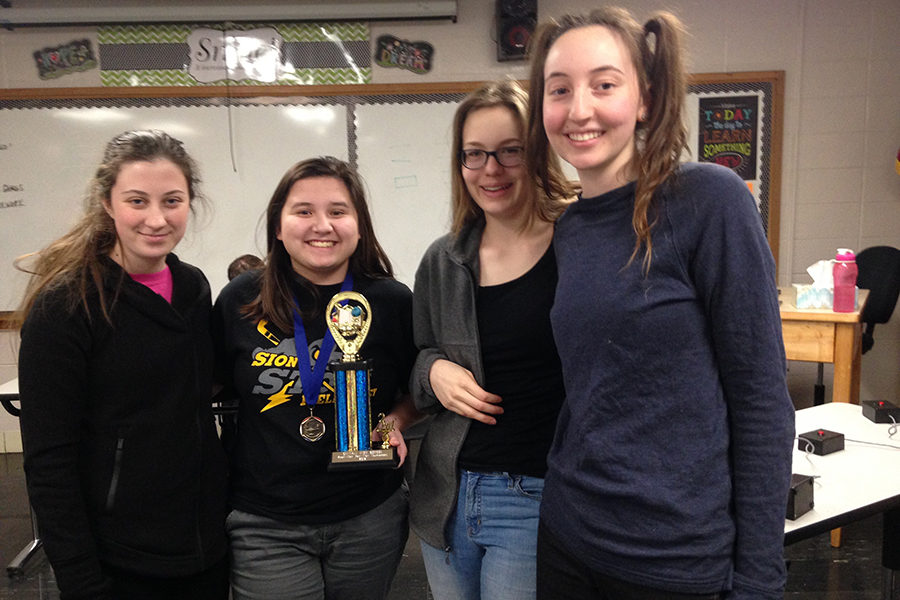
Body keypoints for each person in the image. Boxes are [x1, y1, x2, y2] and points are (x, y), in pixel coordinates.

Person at [526, 7, 795, 599]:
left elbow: (760, 400)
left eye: (604, 84)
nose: (579, 110)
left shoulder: (707, 200)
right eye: (559, 90)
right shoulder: (570, 229)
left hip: (675, 557)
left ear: (644, 98)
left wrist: (758, 578)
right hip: (570, 536)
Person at [15, 129, 229, 600]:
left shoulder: (193, 289)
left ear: (190, 202)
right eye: (137, 201)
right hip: (119, 561)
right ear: (108, 203)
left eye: (172, 201)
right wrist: (80, 578)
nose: (156, 218)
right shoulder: (66, 306)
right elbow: (49, 462)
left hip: (203, 547)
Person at [212, 156, 418, 600]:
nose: (321, 225)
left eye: (338, 211)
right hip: (264, 519)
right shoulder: (240, 300)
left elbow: (418, 388)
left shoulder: (392, 301)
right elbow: (206, 385)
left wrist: (392, 423)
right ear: (279, 226)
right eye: (303, 211)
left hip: (369, 514)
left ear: (359, 225)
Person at [408, 79, 574, 600]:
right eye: (474, 155)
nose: (490, 171)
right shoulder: (444, 258)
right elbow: (416, 359)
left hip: (537, 493)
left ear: (538, 153)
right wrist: (432, 371)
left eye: (509, 152)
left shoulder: (578, 243)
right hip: (448, 495)